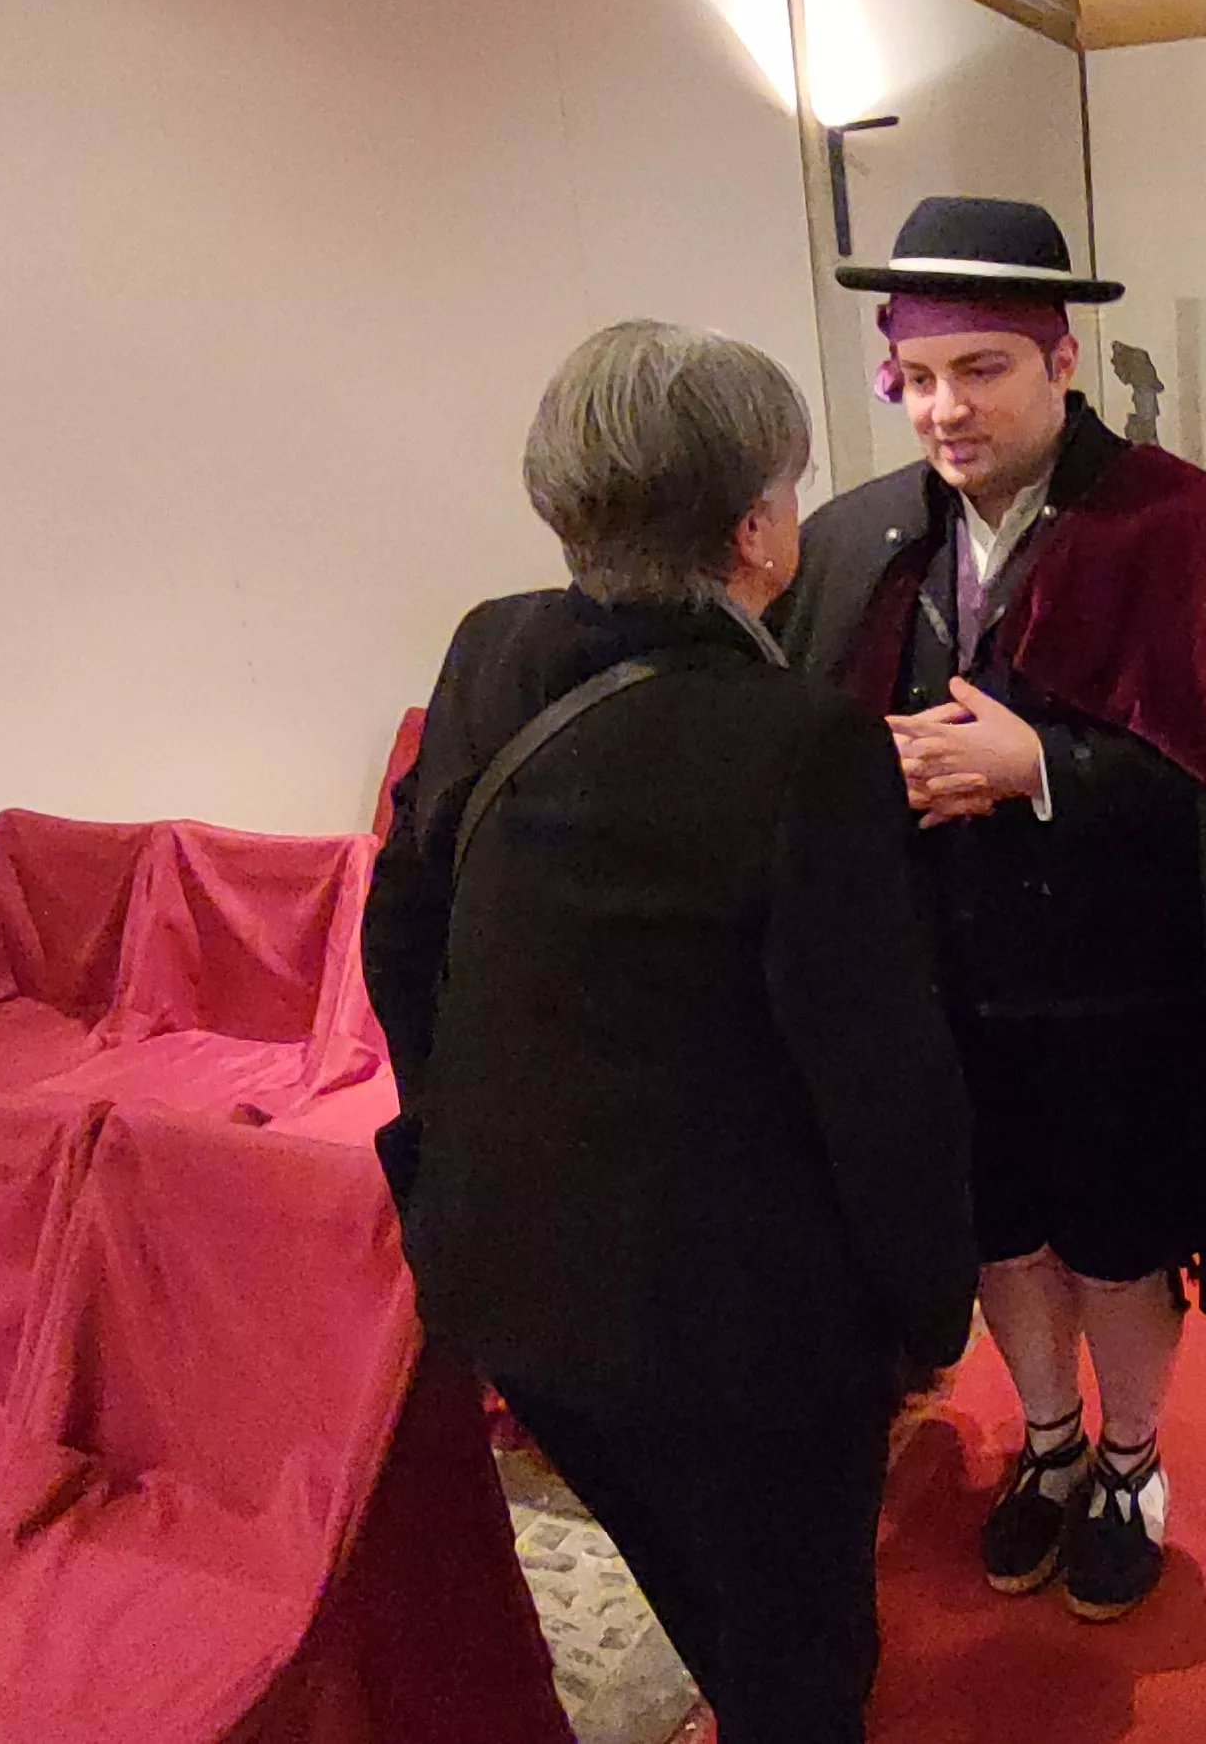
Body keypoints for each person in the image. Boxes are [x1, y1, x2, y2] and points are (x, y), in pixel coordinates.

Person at [361, 321, 976, 1744]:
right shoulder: (799, 741)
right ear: (760, 529)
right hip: (742, 1321)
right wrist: (926, 1302)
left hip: (516, 1277)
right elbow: (874, 1069)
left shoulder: (489, 647)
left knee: (692, 1582)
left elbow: (404, 933)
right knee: (800, 1650)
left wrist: (453, 1147)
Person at [779, 195, 1206, 1625]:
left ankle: (1125, 1460)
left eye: (980, 369)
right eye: (917, 378)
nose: (943, 409)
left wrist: (1042, 767)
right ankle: (1044, 1446)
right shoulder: (868, 541)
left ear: (1061, 359)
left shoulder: (1194, 532)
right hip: (947, 984)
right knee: (998, 1233)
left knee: (1115, 1243)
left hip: (1123, 989)